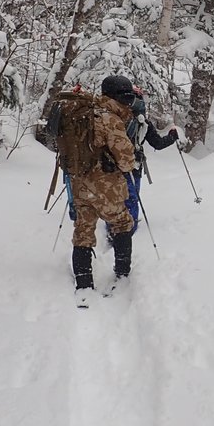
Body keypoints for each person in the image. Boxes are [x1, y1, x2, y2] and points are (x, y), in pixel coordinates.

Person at [68, 75, 138, 305]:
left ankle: (84, 284)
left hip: (79, 183)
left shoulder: (84, 115)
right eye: (126, 98)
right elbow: (127, 160)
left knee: (83, 230)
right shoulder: (111, 120)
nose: (128, 103)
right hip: (106, 186)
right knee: (122, 223)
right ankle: (122, 275)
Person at [120, 86, 180, 235]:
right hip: (134, 164)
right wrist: (172, 137)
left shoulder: (115, 118)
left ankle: (114, 227)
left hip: (114, 164)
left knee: (116, 198)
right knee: (132, 197)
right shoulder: (143, 123)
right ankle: (129, 229)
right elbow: (158, 144)